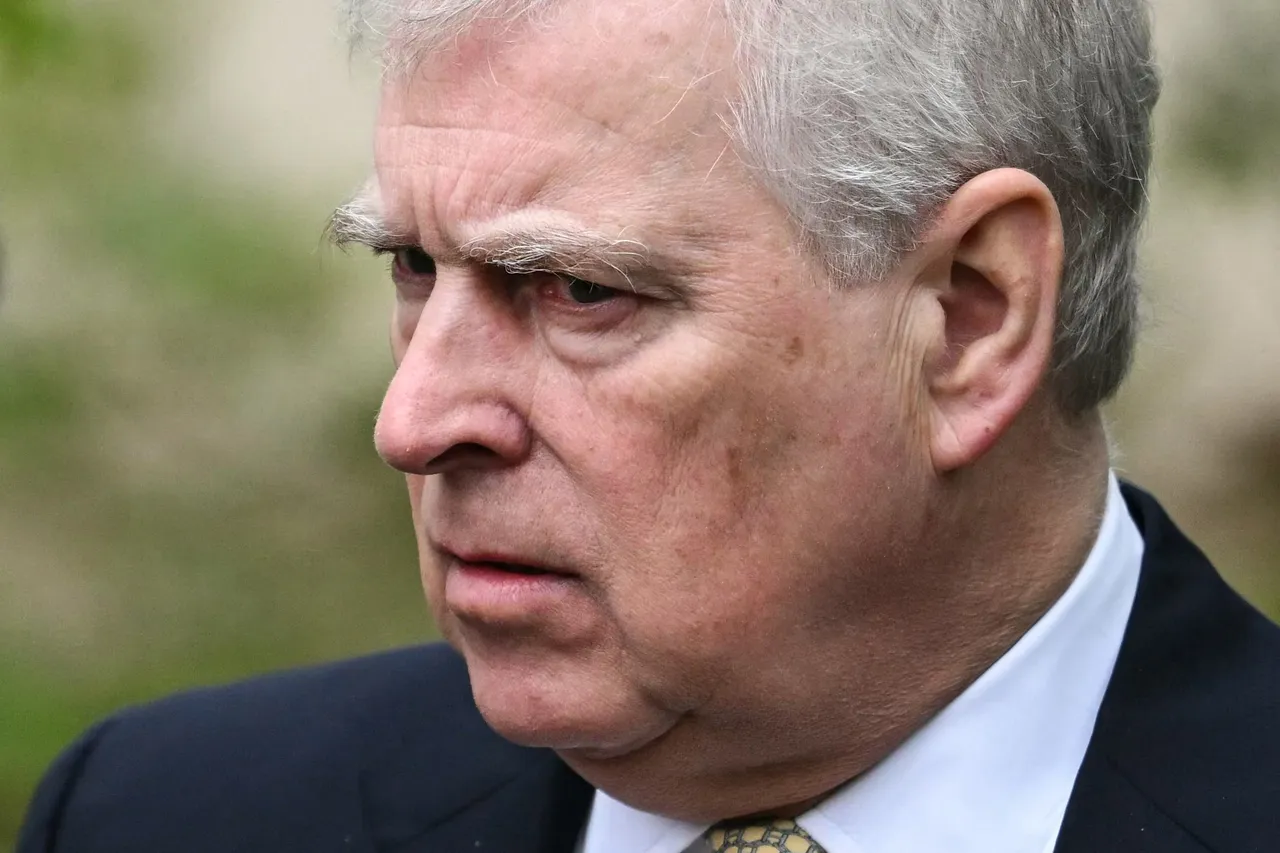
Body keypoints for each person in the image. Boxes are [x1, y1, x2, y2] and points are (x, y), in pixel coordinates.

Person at [17, 0, 1280, 851]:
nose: (413, 422)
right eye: (410, 265)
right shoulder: (168, 812)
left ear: (967, 316)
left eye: (577, 292)